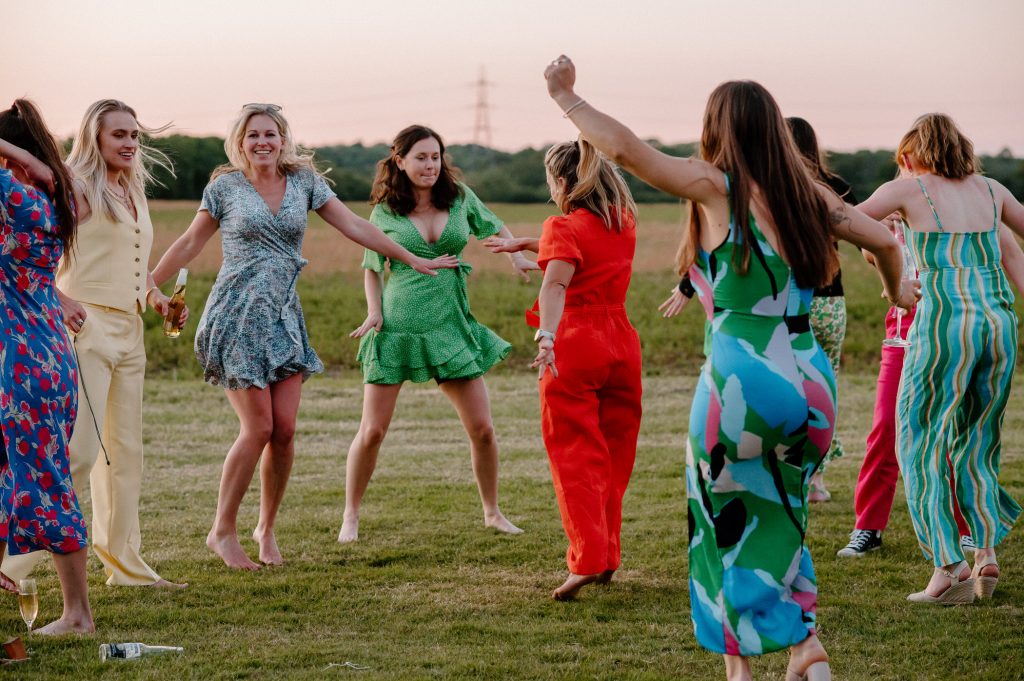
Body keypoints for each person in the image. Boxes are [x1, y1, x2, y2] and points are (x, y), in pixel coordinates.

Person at [543, 56, 917, 681]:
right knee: (785, 507)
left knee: (721, 516)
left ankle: (739, 670)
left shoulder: (718, 188)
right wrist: (897, 291)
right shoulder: (813, 196)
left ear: (716, 127)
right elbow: (883, 240)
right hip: (810, 378)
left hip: (743, 374)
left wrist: (564, 95)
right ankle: (805, 646)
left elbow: (628, 151)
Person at [150, 105, 457, 570]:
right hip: (236, 314)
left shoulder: (305, 182)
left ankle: (265, 529)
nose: (262, 142)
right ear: (240, 141)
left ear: (283, 138)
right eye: (253, 135)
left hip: (283, 316)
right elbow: (191, 242)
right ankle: (222, 532)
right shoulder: (225, 188)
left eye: (270, 134)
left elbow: (355, 225)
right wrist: (148, 284)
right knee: (259, 428)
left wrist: (410, 259)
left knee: (286, 432)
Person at [1, 99, 186, 589]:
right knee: (77, 454)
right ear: (95, 139)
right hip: (84, 329)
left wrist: (157, 296)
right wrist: (57, 297)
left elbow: (134, 262)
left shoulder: (132, 190)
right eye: (118, 135)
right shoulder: (75, 187)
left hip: (132, 331)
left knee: (126, 453)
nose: (129, 143)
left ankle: (125, 563)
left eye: (133, 135)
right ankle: (10, 568)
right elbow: (35, 249)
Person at [858, 113, 1024, 603]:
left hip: (943, 324)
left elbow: (847, 221)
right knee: (979, 440)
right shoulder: (992, 191)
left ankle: (947, 566)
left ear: (911, 154)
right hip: (997, 323)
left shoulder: (907, 189)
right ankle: (986, 554)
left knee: (918, 439)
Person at [338, 125, 531, 543]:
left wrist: (516, 257)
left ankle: (492, 512)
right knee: (372, 431)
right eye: (421, 157)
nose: (430, 165)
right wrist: (374, 312)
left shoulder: (459, 197)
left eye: (436, 156)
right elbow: (373, 269)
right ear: (400, 161)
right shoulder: (385, 212)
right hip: (397, 326)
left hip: (450, 325)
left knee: (482, 428)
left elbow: (495, 228)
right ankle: (350, 516)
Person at [487, 139, 643, 601]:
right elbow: (584, 249)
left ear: (562, 181)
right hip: (621, 342)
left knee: (574, 455)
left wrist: (547, 338)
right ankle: (608, 554)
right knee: (614, 456)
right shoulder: (622, 221)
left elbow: (557, 283)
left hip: (576, 341)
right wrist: (535, 243)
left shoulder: (563, 224)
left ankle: (586, 561)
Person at [0, 99, 94, 634]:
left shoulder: (12, 192)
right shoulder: (51, 197)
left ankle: (78, 615)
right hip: (46, 356)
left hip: (19, 361)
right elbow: (66, 187)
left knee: (44, 477)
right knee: (15, 469)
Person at [786, 117, 858, 503]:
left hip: (791, 300)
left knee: (787, 388)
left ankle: (790, 472)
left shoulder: (777, 187)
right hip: (832, 301)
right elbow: (867, 233)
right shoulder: (838, 187)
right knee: (824, 391)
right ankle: (817, 482)